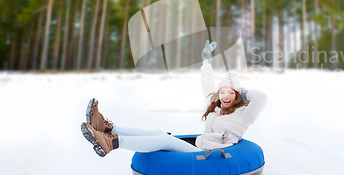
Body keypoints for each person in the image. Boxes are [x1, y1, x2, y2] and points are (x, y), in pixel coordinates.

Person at [81, 40, 267, 157]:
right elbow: (208, 83)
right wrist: (205, 60)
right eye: (223, 92)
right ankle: (107, 128)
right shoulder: (216, 106)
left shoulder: (244, 114)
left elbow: (262, 97)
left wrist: (243, 91)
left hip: (211, 155)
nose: (225, 96)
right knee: (157, 132)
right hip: (201, 146)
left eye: (231, 93)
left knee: (164, 140)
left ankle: (112, 143)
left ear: (237, 96)